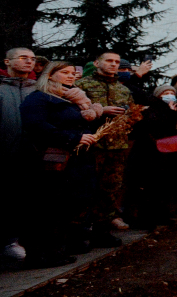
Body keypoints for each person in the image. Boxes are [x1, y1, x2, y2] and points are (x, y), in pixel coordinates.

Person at [19, 61, 102, 267]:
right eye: (64, 73)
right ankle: (39, 256)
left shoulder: (69, 99)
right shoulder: (38, 98)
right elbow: (36, 126)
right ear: (49, 75)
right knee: (44, 208)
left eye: (73, 73)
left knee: (61, 207)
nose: (70, 76)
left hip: (70, 162)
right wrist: (73, 138)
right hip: (46, 162)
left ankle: (54, 252)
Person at [75, 51, 135, 237]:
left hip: (116, 145)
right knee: (86, 188)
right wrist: (101, 111)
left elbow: (132, 114)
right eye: (109, 61)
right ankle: (81, 230)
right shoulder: (81, 85)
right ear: (96, 62)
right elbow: (73, 112)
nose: (113, 64)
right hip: (91, 144)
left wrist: (129, 117)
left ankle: (103, 229)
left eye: (116, 62)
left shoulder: (123, 89)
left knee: (111, 187)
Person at [126, 85, 177, 229]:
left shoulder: (176, 109)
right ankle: (146, 219)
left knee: (165, 186)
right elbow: (155, 127)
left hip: (169, 151)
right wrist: (170, 113)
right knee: (150, 187)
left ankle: (162, 215)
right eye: (166, 93)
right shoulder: (150, 109)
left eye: (172, 93)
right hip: (150, 153)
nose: (170, 95)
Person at [0, 48, 37, 261]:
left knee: (29, 200)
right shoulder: (1, 89)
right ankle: (7, 242)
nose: (29, 62)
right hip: (6, 153)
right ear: (8, 61)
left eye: (32, 59)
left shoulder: (39, 89)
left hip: (33, 154)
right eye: (23, 58)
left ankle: (23, 241)